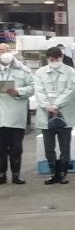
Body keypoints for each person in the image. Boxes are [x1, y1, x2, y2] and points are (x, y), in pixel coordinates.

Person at [34, 45, 75, 186]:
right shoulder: (40, 72)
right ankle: (53, 173)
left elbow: (71, 90)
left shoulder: (70, 71)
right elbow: (39, 91)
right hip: (46, 114)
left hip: (65, 114)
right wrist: (47, 105)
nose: (54, 62)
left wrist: (56, 105)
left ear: (61, 57)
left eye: (56, 59)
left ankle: (63, 174)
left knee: (65, 147)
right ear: (47, 59)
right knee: (49, 148)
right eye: (51, 59)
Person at [0, 43, 35, 184]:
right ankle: (1, 174)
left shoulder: (23, 70)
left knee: (16, 147)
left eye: (4, 51)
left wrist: (19, 91)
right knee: (0, 148)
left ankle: (16, 174)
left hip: (16, 114)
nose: (2, 54)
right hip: (0, 115)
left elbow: (32, 87)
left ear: (10, 52)